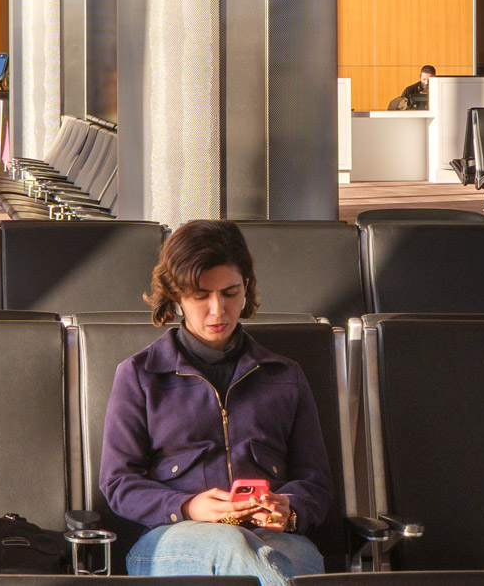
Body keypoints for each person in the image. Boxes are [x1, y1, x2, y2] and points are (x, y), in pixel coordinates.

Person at [101, 220, 333, 586]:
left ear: (247, 290)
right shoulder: (140, 376)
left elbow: (316, 481)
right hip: (170, 538)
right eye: (200, 296)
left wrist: (289, 510)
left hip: (276, 538)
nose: (217, 311)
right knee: (234, 547)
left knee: (276, 554)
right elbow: (118, 483)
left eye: (230, 293)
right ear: (177, 296)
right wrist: (187, 506)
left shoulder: (285, 375)